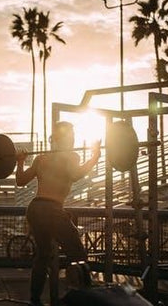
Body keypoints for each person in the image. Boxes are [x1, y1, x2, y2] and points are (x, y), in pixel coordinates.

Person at [15, 121, 101, 306]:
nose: (73, 138)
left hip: (35, 209)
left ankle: (35, 300)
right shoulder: (72, 156)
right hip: (51, 210)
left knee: (43, 255)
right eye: (71, 135)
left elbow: (20, 180)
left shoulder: (41, 159)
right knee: (78, 254)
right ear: (65, 138)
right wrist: (95, 156)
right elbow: (76, 174)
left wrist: (20, 162)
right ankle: (85, 299)